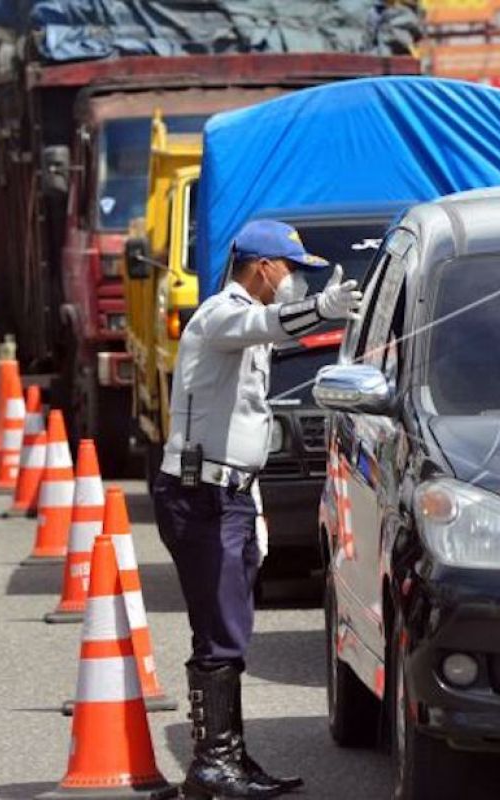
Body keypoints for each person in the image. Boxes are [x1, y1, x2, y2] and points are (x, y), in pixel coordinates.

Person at [153, 219, 363, 800]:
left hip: (232, 495)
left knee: (233, 627)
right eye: (291, 270)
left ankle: (226, 758)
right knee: (220, 631)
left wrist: (258, 508)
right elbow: (266, 322)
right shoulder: (221, 314)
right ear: (263, 266)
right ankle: (213, 762)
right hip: (202, 497)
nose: (292, 280)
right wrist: (323, 308)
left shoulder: (248, 328)